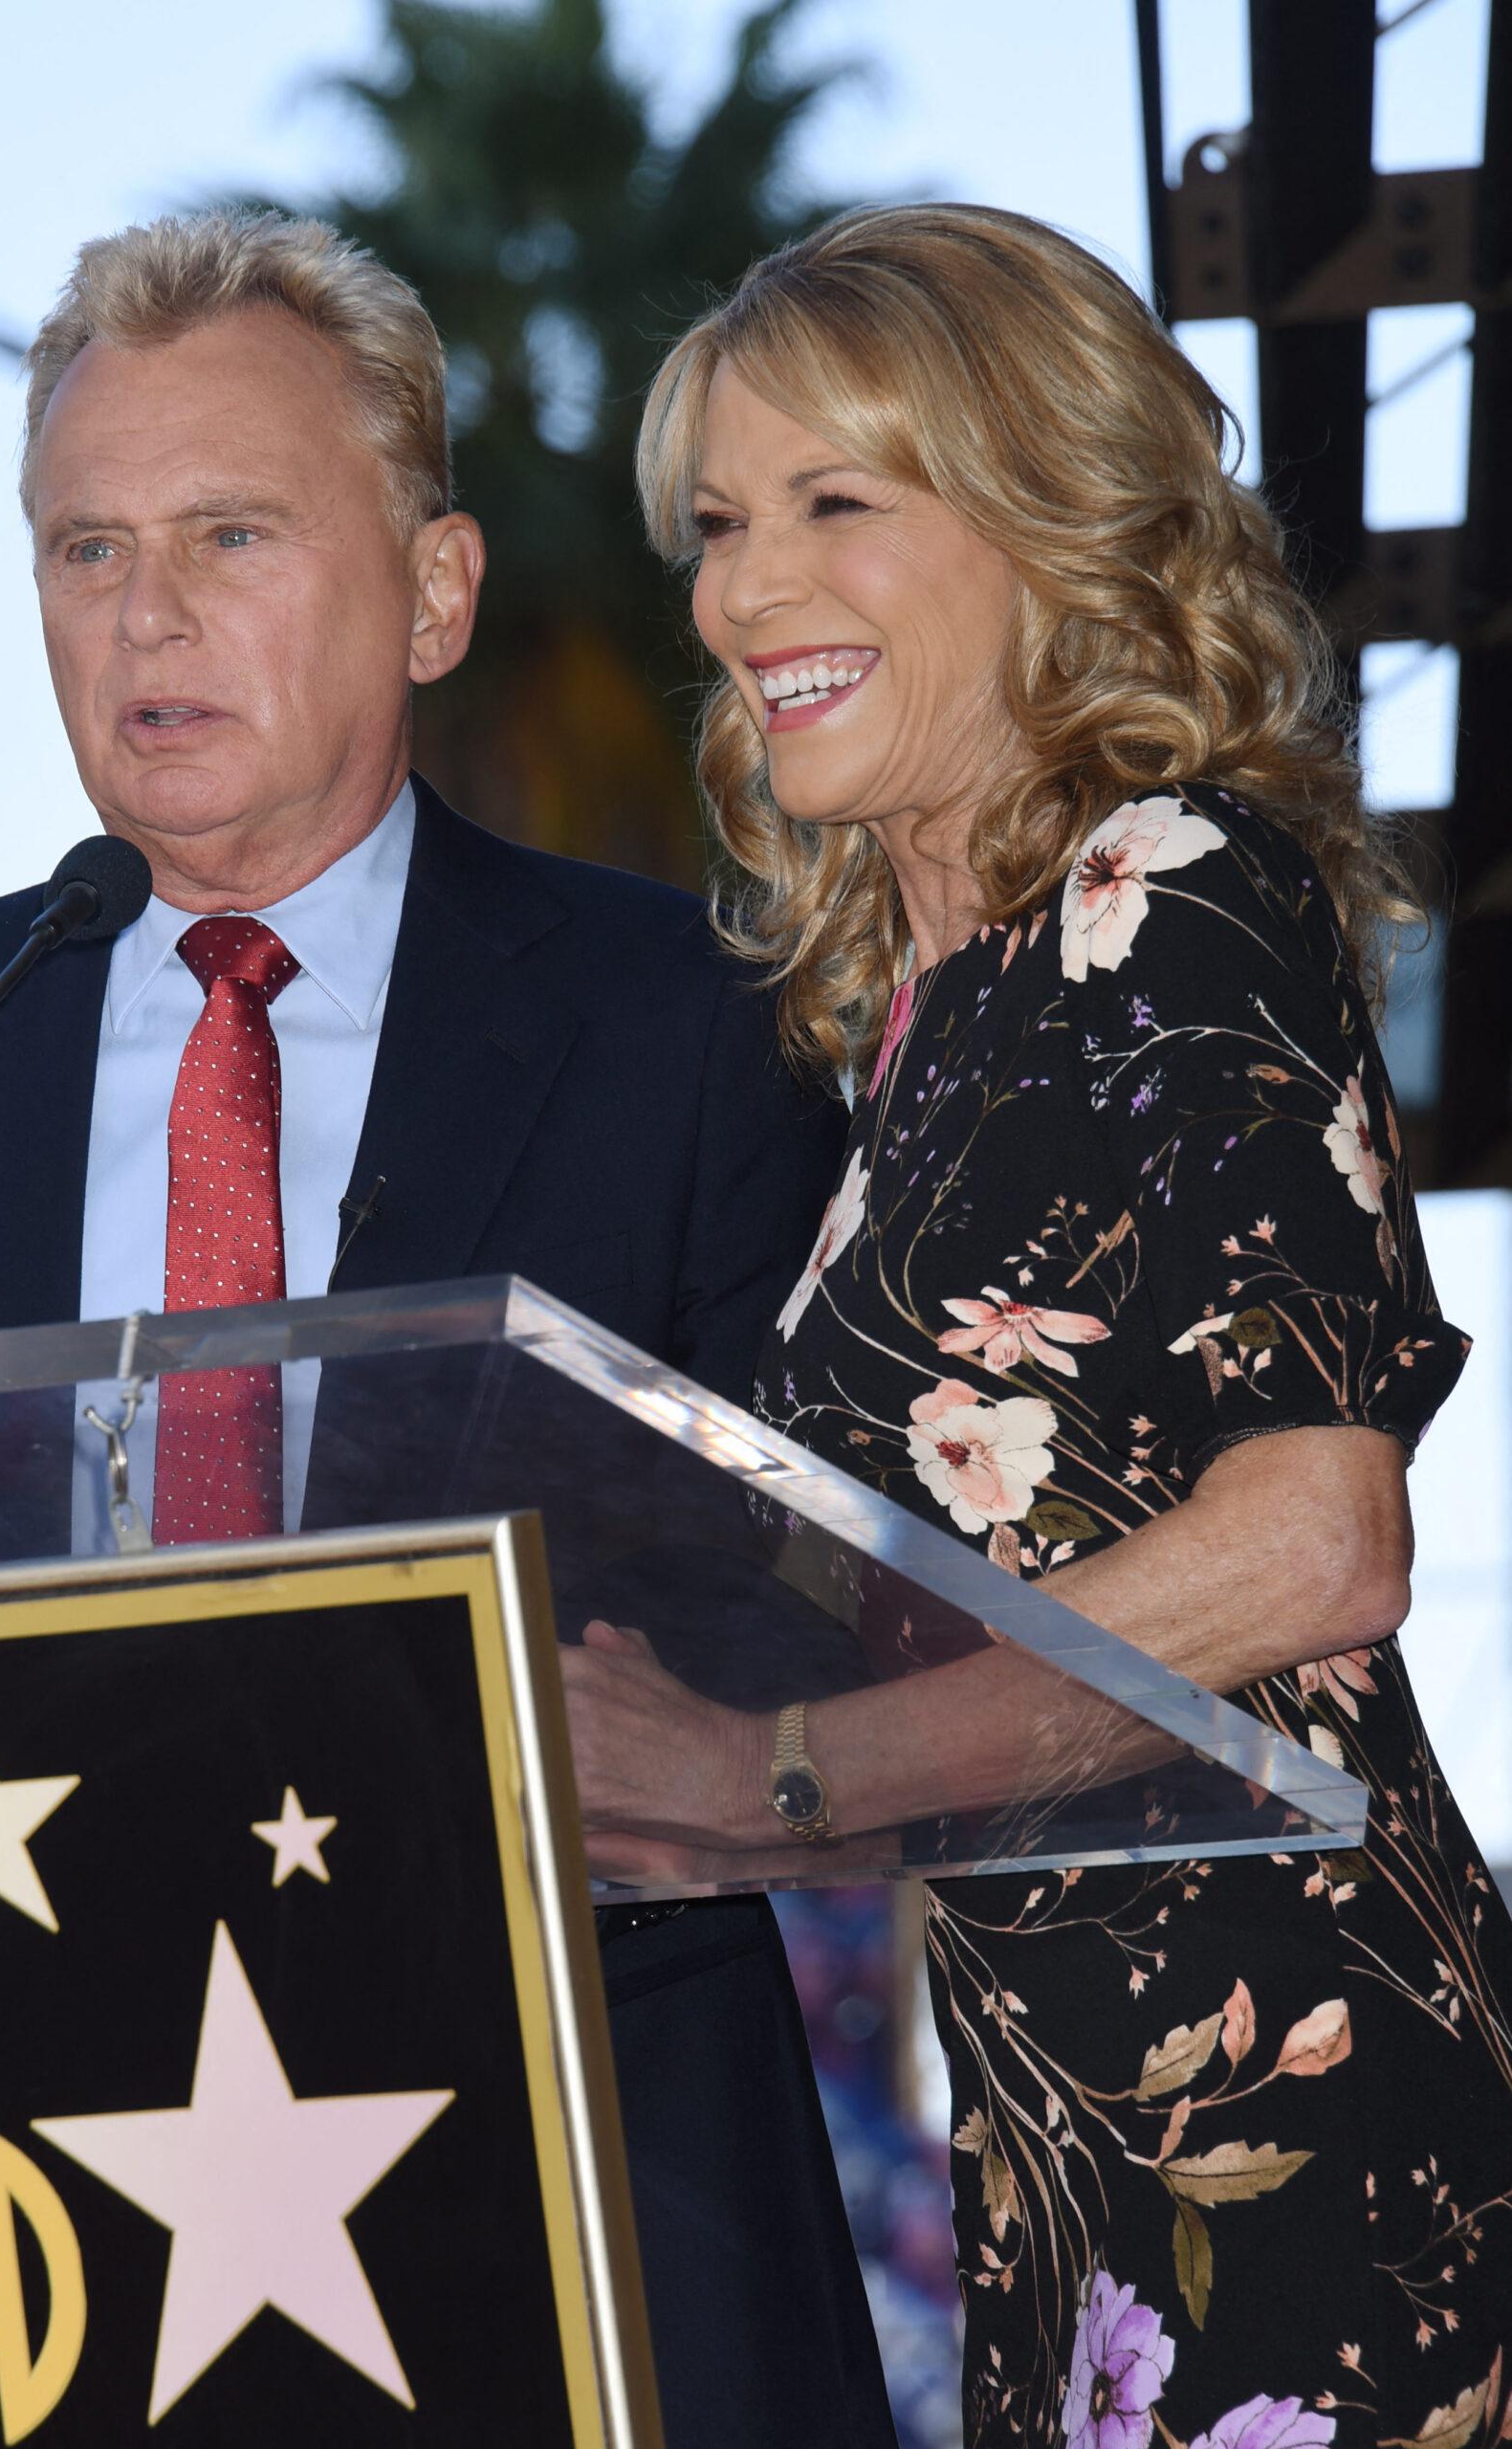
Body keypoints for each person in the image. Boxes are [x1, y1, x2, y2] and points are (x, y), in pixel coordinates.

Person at [0, 211, 894, 2444]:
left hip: (578, 2168)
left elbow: (810, 1610)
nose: (144, 613)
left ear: (437, 593)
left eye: (230, 532)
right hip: (22, 2203)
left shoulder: (697, 1022)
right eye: (86, 550)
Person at [561, 203, 1512, 2438]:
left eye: (832, 504)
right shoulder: (926, 1020)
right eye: (715, 523)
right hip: (1067, 2165)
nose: (738, 588)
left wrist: (777, 1776)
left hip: (1306, 2120)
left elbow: (1320, 1538)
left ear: (1043, 518)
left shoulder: (1174, 891)